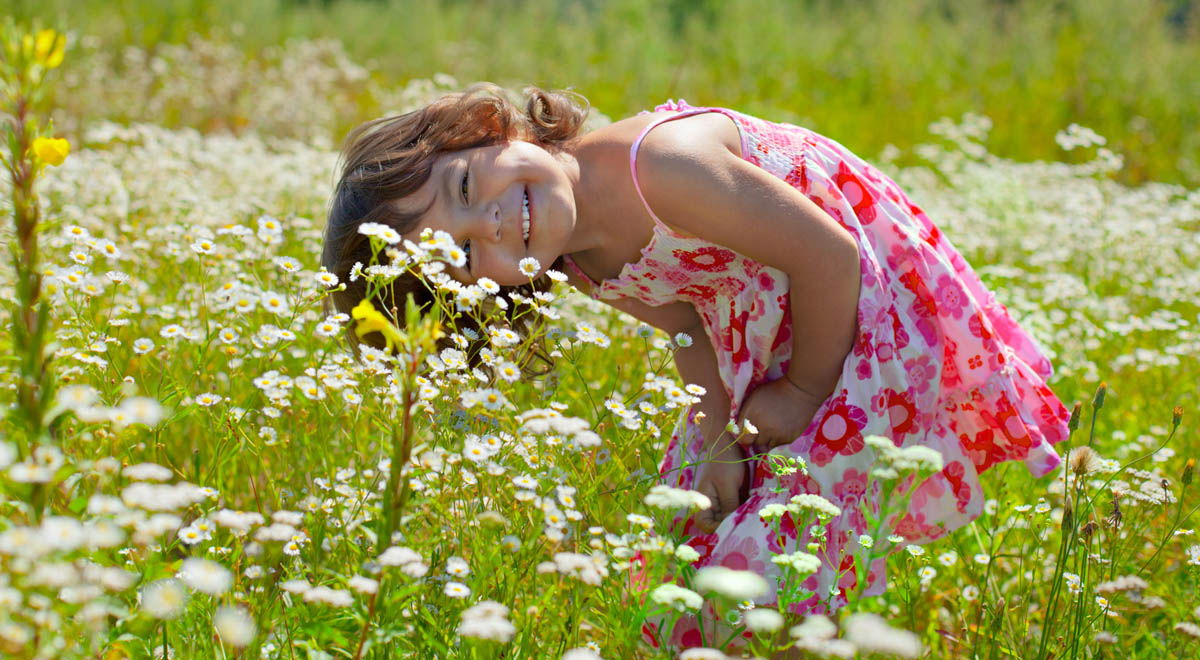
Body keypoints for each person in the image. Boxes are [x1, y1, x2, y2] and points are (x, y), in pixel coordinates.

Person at [320, 85, 1070, 650]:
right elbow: (683, 322)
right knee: (690, 541)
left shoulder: (663, 169)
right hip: (770, 323)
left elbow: (830, 255)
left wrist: (804, 392)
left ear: (486, 130)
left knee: (778, 552)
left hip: (857, 297)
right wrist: (713, 435)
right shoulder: (575, 255)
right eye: (463, 254)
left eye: (462, 187)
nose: (489, 219)